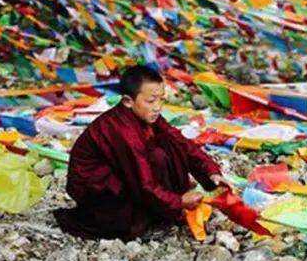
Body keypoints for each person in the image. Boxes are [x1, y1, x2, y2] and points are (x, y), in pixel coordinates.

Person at [54, 64, 229, 240]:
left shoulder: (146, 116)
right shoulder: (122, 131)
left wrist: (211, 171)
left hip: (122, 174)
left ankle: (163, 205)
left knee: (168, 147)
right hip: (96, 189)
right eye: (151, 101)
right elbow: (143, 182)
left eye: (161, 100)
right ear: (128, 101)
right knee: (154, 164)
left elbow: (181, 142)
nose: (158, 107)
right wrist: (179, 202)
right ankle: (154, 213)